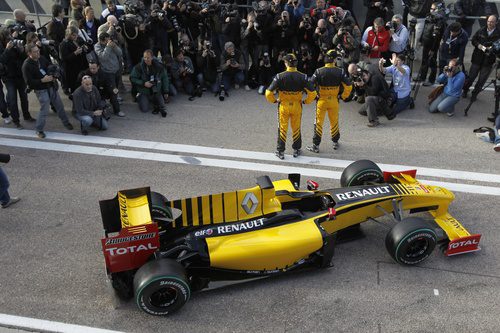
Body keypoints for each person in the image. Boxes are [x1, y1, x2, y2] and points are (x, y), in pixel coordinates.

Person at [265, 53, 317, 159]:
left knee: (282, 128)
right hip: (297, 106)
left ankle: (280, 152)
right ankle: (296, 149)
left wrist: (275, 101)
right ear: (296, 63)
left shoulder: (279, 76)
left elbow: (268, 93)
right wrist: (305, 102)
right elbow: (313, 93)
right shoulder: (303, 76)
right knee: (296, 128)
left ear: (286, 63)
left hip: (283, 106)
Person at [22, 43, 74, 139]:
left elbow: (50, 66)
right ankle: (39, 130)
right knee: (44, 110)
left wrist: (54, 75)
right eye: (35, 52)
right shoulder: (26, 65)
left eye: (38, 50)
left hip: (51, 86)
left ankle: (66, 123)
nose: (38, 53)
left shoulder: (41, 58)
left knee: (59, 106)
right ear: (29, 53)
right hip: (41, 90)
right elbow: (29, 82)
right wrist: (42, 80)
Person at [307, 50, 352, 153]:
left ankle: (316, 146)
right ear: (334, 60)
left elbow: (309, 86)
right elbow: (349, 86)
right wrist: (343, 96)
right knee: (334, 122)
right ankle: (335, 142)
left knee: (318, 123)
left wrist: (314, 96)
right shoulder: (340, 71)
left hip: (321, 100)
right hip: (334, 101)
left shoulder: (319, 71)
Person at [0, 28, 35, 128]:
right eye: (7, 36)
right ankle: (16, 121)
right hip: (8, 77)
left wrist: (21, 50)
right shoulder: (2, 46)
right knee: (12, 99)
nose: (9, 38)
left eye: (9, 36)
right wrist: (7, 49)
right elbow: (2, 60)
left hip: (19, 75)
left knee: (24, 98)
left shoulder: (14, 42)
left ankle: (27, 116)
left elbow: (23, 58)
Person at [462, 15, 500, 102]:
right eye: (488, 21)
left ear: (496, 22)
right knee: (471, 77)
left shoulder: (498, 33)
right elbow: (473, 40)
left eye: (492, 22)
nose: (489, 23)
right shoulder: (481, 30)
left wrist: (494, 49)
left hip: (488, 61)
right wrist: (479, 45)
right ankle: (465, 90)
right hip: (477, 59)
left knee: (481, 81)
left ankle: (474, 94)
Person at [130, 49, 169, 117]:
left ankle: (152, 100)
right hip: (144, 91)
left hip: (156, 90)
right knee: (144, 109)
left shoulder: (159, 66)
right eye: (144, 57)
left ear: (152, 57)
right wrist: (143, 83)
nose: (146, 59)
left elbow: (165, 78)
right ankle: (139, 97)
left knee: (162, 106)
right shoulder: (139, 67)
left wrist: (166, 91)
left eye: (148, 57)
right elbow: (132, 78)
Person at [93, 32, 124, 116]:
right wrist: (108, 47)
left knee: (116, 89)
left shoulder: (111, 43)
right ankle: (117, 110)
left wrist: (115, 46)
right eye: (106, 41)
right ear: (101, 40)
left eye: (108, 40)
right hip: (107, 72)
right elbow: (103, 57)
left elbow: (120, 53)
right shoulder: (97, 46)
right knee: (113, 91)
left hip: (116, 70)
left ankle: (113, 101)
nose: (108, 42)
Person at [418, 1, 447, 86]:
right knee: (424, 61)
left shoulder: (440, 20)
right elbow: (424, 29)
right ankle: (422, 77)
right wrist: (420, 41)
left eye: (434, 9)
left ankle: (431, 80)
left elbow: (437, 37)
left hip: (433, 45)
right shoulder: (428, 16)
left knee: (432, 63)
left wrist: (433, 49)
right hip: (426, 42)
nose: (432, 10)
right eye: (431, 8)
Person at [59, 26, 89, 94]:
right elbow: (64, 58)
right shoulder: (63, 44)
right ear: (69, 34)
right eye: (73, 35)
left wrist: (83, 49)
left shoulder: (75, 40)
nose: (76, 36)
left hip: (79, 67)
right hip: (71, 70)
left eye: (76, 35)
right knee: (75, 87)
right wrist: (75, 53)